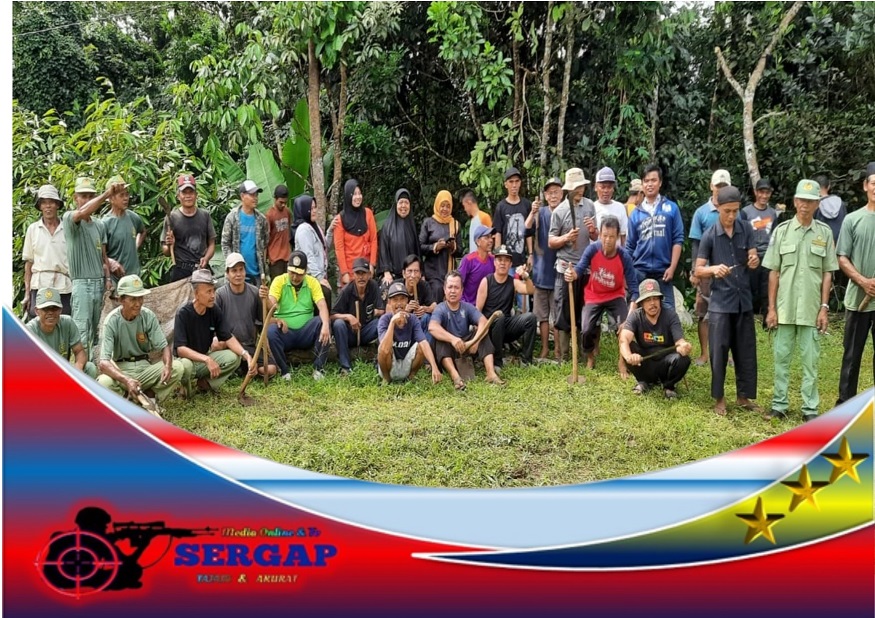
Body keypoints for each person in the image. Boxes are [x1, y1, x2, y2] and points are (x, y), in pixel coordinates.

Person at [763, 179, 838, 422]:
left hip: (811, 308)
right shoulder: (781, 231)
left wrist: (824, 308)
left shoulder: (824, 234)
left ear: (817, 204)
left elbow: (828, 273)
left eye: (810, 201)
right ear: (795, 202)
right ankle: (779, 404)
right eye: (800, 200)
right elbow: (773, 272)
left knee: (810, 362)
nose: (804, 205)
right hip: (784, 309)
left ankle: (809, 409)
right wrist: (771, 309)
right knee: (781, 359)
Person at [694, 186, 762, 416]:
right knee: (719, 352)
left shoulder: (745, 229)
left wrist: (754, 260)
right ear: (718, 209)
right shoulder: (710, 235)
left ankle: (743, 397)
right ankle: (719, 398)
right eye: (727, 211)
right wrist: (712, 269)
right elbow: (698, 269)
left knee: (745, 350)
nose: (732, 216)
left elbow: (753, 255)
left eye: (735, 211)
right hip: (721, 303)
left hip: (743, 300)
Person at [564, 216, 638, 376]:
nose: (608, 240)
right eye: (604, 235)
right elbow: (580, 267)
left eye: (612, 236)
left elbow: (634, 287)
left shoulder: (624, 256)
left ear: (618, 237)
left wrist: (632, 308)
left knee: (625, 328)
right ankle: (590, 356)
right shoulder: (592, 250)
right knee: (586, 329)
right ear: (600, 234)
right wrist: (572, 274)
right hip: (594, 295)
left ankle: (622, 362)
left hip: (616, 295)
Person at [97, 274, 185, 404]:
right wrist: (126, 380)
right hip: (122, 370)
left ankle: (150, 396)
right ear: (121, 300)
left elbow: (164, 347)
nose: (138, 304)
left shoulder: (148, 316)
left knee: (177, 367)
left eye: (140, 298)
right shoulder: (111, 321)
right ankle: (127, 399)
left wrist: (167, 365)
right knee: (104, 382)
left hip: (145, 369)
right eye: (133, 299)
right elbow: (103, 363)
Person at [174, 269, 253, 395]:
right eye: (208, 291)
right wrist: (206, 359)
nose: (213, 295)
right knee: (185, 366)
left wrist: (246, 355)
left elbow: (227, 337)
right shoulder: (183, 313)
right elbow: (180, 349)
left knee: (234, 358)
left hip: (204, 359)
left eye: (214, 290)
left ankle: (205, 384)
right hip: (187, 361)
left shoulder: (213, 310)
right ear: (196, 294)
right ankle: (185, 390)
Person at [835, 163, 875, 405]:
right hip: (857, 301)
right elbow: (842, 257)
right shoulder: (852, 220)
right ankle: (844, 403)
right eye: (874, 184)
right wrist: (863, 281)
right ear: (865, 186)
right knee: (851, 355)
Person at [64, 177, 116, 361]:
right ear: (75, 198)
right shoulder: (70, 218)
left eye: (90, 196)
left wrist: (108, 279)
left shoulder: (99, 225)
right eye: (83, 196)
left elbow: (103, 256)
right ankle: (79, 374)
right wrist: (107, 194)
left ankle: (92, 374)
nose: (86, 200)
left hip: (98, 284)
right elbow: (82, 213)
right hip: (81, 284)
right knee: (81, 334)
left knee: (96, 333)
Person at [548, 167, 597, 359]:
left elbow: (595, 236)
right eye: (576, 187)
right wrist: (566, 237)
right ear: (569, 189)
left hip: (585, 267)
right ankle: (564, 355)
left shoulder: (590, 206)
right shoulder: (559, 211)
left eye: (581, 186)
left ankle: (585, 353)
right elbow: (551, 241)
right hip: (565, 267)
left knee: (585, 310)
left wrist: (593, 230)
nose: (580, 190)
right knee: (563, 312)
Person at [429, 271, 504, 390]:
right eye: (450, 287)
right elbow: (432, 327)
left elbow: (484, 322)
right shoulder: (440, 309)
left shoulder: (467, 307)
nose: (453, 291)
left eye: (456, 287)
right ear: (444, 289)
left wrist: (475, 341)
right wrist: (453, 339)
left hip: (466, 347)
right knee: (440, 340)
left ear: (461, 290)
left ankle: (491, 373)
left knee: (482, 333)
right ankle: (456, 377)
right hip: (449, 351)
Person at [619, 279, 693, 399]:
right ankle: (643, 382)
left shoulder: (670, 315)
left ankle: (669, 386)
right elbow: (624, 339)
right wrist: (629, 356)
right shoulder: (635, 316)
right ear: (641, 303)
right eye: (648, 300)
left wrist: (684, 347)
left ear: (660, 300)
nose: (652, 303)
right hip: (644, 360)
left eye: (655, 298)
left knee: (683, 359)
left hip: (666, 361)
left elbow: (680, 342)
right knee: (629, 347)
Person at [625, 164, 685, 310]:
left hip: (663, 271)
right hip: (639, 271)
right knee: (637, 314)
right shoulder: (636, 214)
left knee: (668, 312)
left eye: (653, 180)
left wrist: (672, 267)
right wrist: (627, 273)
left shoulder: (671, 208)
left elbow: (678, 239)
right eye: (646, 181)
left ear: (660, 182)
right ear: (642, 184)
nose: (650, 184)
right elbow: (629, 246)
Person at [688, 169, 732, 366]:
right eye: (718, 186)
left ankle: (726, 354)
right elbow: (695, 244)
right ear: (711, 186)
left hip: (727, 272)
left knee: (727, 314)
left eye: (724, 187)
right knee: (703, 313)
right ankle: (705, 353)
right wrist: (694, 271)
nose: (720, 190)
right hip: (705, 271)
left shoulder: (734, 212)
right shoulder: (701, 213)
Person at [266, 251, 331, 381]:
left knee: (323, 322)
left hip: (306, 332)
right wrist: (266, 301)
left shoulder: (312, 282)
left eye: (299, 274)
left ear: (305, 271)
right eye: (292, 273)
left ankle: (319, 369)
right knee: (271, 331)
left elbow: (322, 305)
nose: (295, 277)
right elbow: (270, 306)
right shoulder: (279, 281)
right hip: (285, 332)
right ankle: (284, 371)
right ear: (287, 269)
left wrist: (325, 324)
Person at [215, 252, 277, 379]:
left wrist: (266, 300)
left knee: (270, 369)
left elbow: (265, 319)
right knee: (216, 343)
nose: (238, 274)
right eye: (234, 271)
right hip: (228, 346)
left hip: (248, 345)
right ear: (227, 274)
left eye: (241, 270)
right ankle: (235, 367)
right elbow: (215, 327)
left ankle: (244, 369)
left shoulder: (254, 292)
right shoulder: (220, 295)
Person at [476, 245, 537, 369]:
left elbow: (530, 290)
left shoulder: (512, 282)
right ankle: (497, 362)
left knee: (530, 318)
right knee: (499, 317)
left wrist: (525, 276)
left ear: (510, 264)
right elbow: (477, 311)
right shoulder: (486, 281)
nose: (502, 263)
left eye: (506, 260)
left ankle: (526, 360)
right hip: (490, 326)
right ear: (495, 262)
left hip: (506, 326)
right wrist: (479, 333)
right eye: (500, 260)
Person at [377, 281, 442, 385]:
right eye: (395, 300)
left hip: (406, 365)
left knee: (420, 345)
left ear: (407, 301)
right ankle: (386, 379)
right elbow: (384, 348)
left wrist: (434, 367)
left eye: (402, 299)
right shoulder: (384, 319)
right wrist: (392, 323)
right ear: (389, 302)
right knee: (382, 348)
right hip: (389, 366)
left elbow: (424, 343)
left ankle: (411, 377)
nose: (399, 304)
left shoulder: (412, 319)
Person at [22, 184, 72, 318]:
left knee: (64, 321)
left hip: (64, 285)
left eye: (51, 202)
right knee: (38, 323)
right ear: (40, 206)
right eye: (44, 203)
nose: (48, 206)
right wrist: (27, 294)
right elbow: (29, 264)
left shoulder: (67, 229)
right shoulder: (33, 229)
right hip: (39, 284)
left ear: (57, 205)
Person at [26, 287, 97, 378]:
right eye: (46, 309)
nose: (50, 312)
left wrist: (78, 369)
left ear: (60, 310)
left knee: (89, 368)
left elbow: (79, 351)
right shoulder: (30, 331)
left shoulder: (67, 322)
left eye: (54, 308)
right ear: (37, 311)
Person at [330, 258, 385, 375]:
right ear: (353, 275)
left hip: (365, 331)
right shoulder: (346, 291)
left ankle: (380, 361)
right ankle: (345, 366)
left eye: (364, 273)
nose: (361, 277)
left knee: (382, 322)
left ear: (369, 275)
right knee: (338, 324)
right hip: (349, 334)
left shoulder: (373, 286)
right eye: (358, 273)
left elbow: (382, 310)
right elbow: (332, 315)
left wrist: (372, 312)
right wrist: (349, 317)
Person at [163, 173, 216, 282]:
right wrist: (168, 245)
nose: (188, 196)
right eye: (184, 192)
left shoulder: (205, 215)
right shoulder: (171, 218)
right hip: (181, 270)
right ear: (178, 196)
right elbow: (166, 252)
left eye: (191, 192)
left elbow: (211, 243)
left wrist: (206, 259)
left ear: (196, 195)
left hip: (201, 268)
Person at [531, 176, 562, 363]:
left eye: (556, 192)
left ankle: (558, 350)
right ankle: (544, 349)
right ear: (545, 195)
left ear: (562, 193)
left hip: (558, 272)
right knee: (542, 316)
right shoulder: (540, 212)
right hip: (540, 271)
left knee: (557, 316)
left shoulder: (567, 212)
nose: (553, 195)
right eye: (550, 192)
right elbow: (528, 229)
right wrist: (532, 212)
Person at [743, 178, 780, 324]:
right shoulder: (746, 212)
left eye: (767, 193)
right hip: (751, 256)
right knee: (749, 289)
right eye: (761, 192)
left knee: (767, 290)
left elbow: (776, 236)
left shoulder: (773, 213)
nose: (764, 196)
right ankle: (747, 321)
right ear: (755, 192)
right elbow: (742, 235)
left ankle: (768, 321)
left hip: (768, 256)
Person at [221, 180, 269, 286]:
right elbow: (225, 244)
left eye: (256, 195)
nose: (255, 198)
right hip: (236, 276)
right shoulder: (232, 217)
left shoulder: (261, 220)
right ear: (242, 196)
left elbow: (265, 245)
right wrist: (232, 264)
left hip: (257, 275)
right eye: (252, 195)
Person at [102, 175, 145, 289]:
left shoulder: (133, 217)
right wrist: (110, 262)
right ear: (111, 199)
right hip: (117, 280)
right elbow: (100, 253)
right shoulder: (105, 223)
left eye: (127, 194)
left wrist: (135, 245)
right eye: (121, 195)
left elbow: (143, 231)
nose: (126, 198)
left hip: (135, 276)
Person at [334, 179, 378, 289]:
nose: (358, 197)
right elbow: (339, 248)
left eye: (359, 193)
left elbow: (373, 240)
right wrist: (344, 273)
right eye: (354, 194)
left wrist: (372, 264)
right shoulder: (340, 219)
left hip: (366, 267)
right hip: (350, 271)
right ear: (348, 196)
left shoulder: (368, 213)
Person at [419, 190, 462, 302]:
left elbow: (460, 251)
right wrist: (434, 247)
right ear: (437, 205)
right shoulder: (428, 223)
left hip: (449, 271)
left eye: (448, 206)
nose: (445, 209)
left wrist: (453, 247)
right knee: (437, 290)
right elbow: (420, 247)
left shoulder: (455, 224)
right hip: (432, 271)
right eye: (442, 205)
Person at [292, 194, 331, 308]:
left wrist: (330, 231)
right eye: (311, 208)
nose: (314, 211)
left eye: (315, 207)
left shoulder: (313, 226)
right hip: (310, 279)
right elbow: (308, 256)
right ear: (304, 210)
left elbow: (323, 247)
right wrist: (319, 278)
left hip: (319, 276)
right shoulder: (303, 230)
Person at [493, 167, 534, 269]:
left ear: (520, 183)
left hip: (522, 260)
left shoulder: (526, 204)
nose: (514, 185)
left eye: (517, 181)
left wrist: (531, 254)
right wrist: (497, 257)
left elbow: (529, 233)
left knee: (523, 284)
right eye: (511, 182)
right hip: (505, 260)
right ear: (506, 184)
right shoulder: (501, 206)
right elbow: (498, 232)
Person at [378, 188, 419, 287]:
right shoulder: (387, 226)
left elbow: (417, 251)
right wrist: (386, 272)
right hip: (393, 275)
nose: (403, 206)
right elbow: (383, 251)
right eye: (401, 202)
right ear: (396, 204)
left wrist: (420, 272)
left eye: (406, 202)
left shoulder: (412, 226)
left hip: (411, 275)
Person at [400, 253, 436, 344]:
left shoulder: (424, 285)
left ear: (420, 274)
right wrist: (405, 310)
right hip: (402, 325)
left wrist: (425, 309)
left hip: (418, 325)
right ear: (404, 273)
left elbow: (435, 306)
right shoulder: (397, 287)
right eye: (409, 271)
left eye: (416, 271)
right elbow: (389, 311)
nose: (413, 275)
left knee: (428, 317)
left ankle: (424, 352)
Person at [458, 226, 495, 303]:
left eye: (491, 237)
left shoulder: (493, 260)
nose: (491, 240)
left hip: (487, 306)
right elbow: (458, 282)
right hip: (468, 305)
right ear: (478, 241)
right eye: (487, 237)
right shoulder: (468, 260)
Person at [592, 167, 629, 244]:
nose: (606, 191)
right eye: (602, 187)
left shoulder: (620, 207)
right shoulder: (591, 208)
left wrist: (624, 254)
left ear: (613, 188)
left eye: (609, 187)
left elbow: (623, 235)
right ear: (596, 187)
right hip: (596, 254)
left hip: (616, 254)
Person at [266, 184, 292, 278]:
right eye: (281, 202)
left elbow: (289, 230)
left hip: (287, 256)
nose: (283, 205)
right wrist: (266, 258)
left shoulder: (287, 212)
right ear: (275, 199)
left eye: (285, 202)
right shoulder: (270, 215)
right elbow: (266, 238)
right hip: (275, 258)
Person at [814, 174, 847, 245]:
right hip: (839, 245)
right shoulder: (841, 203)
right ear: (828, 186)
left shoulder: (814, 205)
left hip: (820, 245)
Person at [461, 189, 493, 253]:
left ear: (469, 202)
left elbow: (490, 239)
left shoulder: (484, 217)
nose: (465, 209)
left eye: (464, 206)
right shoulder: (472, 220)